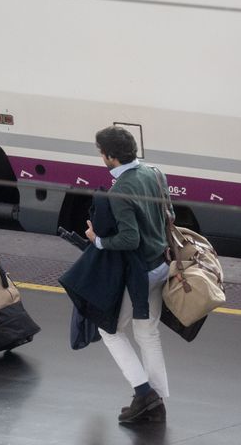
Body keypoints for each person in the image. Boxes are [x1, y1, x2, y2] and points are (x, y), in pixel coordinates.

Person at [84, 126, 170, 424]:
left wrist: (96, 238)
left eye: (101, 153)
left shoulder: (119, 191)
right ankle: (157, 403)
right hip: (162, 265)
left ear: (110, 156)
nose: (100, 157)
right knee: (148, 333)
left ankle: (144, 392)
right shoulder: (155, 173)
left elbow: (129, 239)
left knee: (109, 331)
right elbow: (168, 216)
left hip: (140, 273)